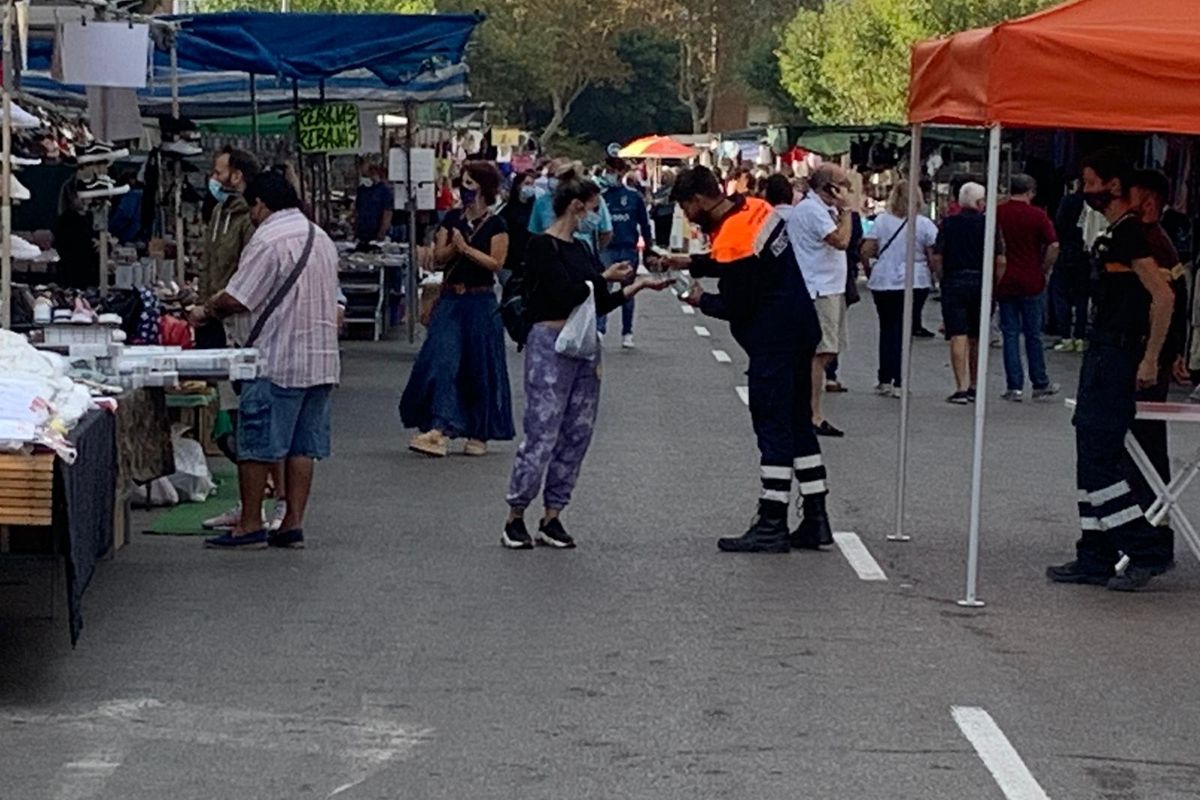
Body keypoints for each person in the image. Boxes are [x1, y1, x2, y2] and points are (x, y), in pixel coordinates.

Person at [664, 165, 834, 554]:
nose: (688, 217)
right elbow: (739, 262)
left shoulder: (733, 238)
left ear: (700, 200)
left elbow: (737, 304)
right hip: (800, 326)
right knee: (798, 423)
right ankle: (816, 516)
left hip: (773, 339)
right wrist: (689, 262)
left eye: (687, 209)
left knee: (772, 427)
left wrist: (698, 299)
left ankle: (772, 521)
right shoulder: (756, 209)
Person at [502, 175, 670, 549]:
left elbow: (598, 300)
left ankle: (553, 514)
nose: (597, 216)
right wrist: (601, 279)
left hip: (583, 343)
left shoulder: (581, 249)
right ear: (576, 206)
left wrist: (636, 286)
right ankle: (516, 513)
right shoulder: (541, 246)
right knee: (542, 431)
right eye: (594, 208)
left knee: (577, 431)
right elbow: (562, 293)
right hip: (549, 342)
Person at [189, 171, 341, 550]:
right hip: (320, 361)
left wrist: (207, 309)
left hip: (277, 358)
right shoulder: (319, 237)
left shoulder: (268, 239)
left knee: (257, 443)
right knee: (302, 448)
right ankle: (292, 522)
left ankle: (251, 522)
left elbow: (240, 296)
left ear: (260, 203)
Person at [1047, 150, 1175, 591]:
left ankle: (1145, 548)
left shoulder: (1132, 237)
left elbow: (1164, 297)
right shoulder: (1114, 234)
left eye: (1090, 182)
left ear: (1113, 186)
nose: (1085, 192)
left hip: (1119, 355)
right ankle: (1095, 553)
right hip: (1103, 351)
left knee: (1101, 460)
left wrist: (1151, 357)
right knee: (1089, 457)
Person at [401, 161, 515, 457]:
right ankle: (439, 426)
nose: (464, 190)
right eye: (462, 183)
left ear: (483, 187)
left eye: (469, 183)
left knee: (479, 365)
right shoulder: (453, 218)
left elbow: (496, 263)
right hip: (451, 300)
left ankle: (478, 430)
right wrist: (453, 248)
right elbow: (438, 257)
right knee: (441, 358)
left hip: (480, 301)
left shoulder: (496, 224)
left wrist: (468, 250)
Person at [1122, 169, 1191, 571]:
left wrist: (1160, 355)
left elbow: (1171, 302)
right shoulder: (1158, 241)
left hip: (1146, 360)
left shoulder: (1153, 243)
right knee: (1141, 447)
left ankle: (1152, 531)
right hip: (1154, 356)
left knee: (1142, 449)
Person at [786, 163, 853, 437]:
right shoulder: (813, 210)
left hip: (829, 287)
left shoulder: (821, 209)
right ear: (829, 187)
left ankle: (807, 407)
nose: (847, 188)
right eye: (842, 183)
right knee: (819, 352)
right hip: (819, 288)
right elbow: (840, 240)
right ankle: (811, 413)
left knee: (829, 350)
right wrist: (847, 211)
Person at [861, 180, 938, 396]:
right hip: (915, 281)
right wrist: (934, 275)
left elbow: (866, 250)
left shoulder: (881, 222)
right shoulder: (924, 225)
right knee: (906, 331)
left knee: (888, 329)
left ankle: (884, 378)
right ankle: (900, 381)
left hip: (884, 280)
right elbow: (933, 257)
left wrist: (870, 270)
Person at [932, 182, 1005, 404]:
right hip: (981, 282)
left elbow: (937, 257)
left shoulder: (948, 224)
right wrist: (994, 282)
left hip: (954, 280)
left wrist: (942, 278)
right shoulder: (989, 225)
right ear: (979, 203)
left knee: (958, 334)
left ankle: (960, 386)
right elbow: (1000, 260)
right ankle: (975, 384)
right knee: (977, 335)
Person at [995, 173, 1060, 402]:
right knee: (1033, 334)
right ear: (1030, 192)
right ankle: (1040, 382)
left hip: (1004, 280)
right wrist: (1044, 268)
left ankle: (1014, 386)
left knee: (1010, 333)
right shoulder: (1038, 215)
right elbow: (1053, 244)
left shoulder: (998, 213)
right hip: (1032, 280)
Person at [198, 146, 260, 349]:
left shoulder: (250, 217)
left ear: (236, 176)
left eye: (218, 173)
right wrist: (203, 303)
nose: (213, 179)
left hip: (236, 318)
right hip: (211, 313)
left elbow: (249, 271)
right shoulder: (218, 211)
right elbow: (208, 259)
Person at [597, 157, 654, 348]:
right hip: (607, 248)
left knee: (627, 290)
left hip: (627, 247)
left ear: (621, 173)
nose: (609, 174)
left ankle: (627, 331)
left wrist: (648, 248)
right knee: (603, 288)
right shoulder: (601, 197)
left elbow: (644, 224)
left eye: (612, 170)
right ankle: (600, 328)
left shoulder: (634, 197)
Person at [530, 158, 613, 254]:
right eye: (551, 176)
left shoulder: (593, 199)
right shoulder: (542, 202)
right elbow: (535, 231)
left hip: (586, 253)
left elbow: (606, 232)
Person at [1049, 189, 1091, 352]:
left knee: (1061, 295)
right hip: (1085, 254)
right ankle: (1080, 336)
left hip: (1066, 253)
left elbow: (1058, 225)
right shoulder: (1094, 204)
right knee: (1082, 297)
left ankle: (1065, 336)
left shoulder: (1068, 201)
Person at [53, 181, 100, 289]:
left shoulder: (89, 217)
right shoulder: (67, 220)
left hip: (87, 273)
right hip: (73, 274)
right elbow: (75, 246)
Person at [498, 169, 537, 284]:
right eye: (527, 184)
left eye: (532, 184)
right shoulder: (507, 210)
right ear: (518, 186)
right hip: (509, 262)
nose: (530, 188)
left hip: (528, 262)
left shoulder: (535, 209)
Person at [354, 159, 394, 244]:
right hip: (362, 234)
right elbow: (357, 211)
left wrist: (382, 232)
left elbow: (387, 213)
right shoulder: (362, 190)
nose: (364, 178)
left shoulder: (384, 191)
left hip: (377, 234)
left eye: (366, 175)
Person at [652, 169, 677, 249]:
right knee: (658, 231)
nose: (663, 178)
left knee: (665, 231)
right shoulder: (657, 188)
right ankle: (660, 245)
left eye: (664, 176)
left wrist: (657, 202)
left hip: (667, 212)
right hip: (658, 213)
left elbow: (669, 199)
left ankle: (664, 245)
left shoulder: (671, 189)